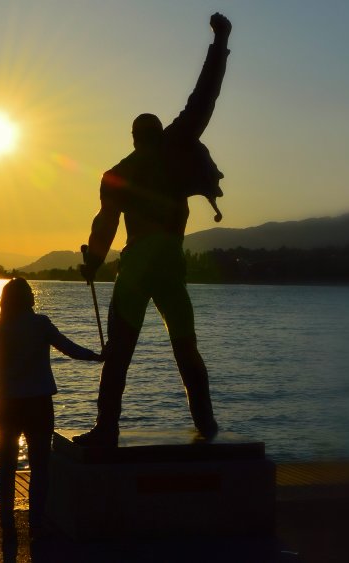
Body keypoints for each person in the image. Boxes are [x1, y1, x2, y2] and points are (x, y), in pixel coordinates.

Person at [75, 13, 232, 447]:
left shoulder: (117, 174)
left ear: (132, 137)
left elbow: (104, 223)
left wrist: (91, 259)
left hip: (140, 259)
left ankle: (107, 428)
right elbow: (205, 97)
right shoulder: (176, 149)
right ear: (160, 133)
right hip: (171, 261)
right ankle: (206, 424)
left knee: (120, 351)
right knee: (186, 345)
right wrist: (220, 43)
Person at [0, 277, 103, 544]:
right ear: (29, 298)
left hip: (6, 403)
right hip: (38, 402)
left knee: (6, 465)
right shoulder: (40, 324)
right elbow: (69, 348)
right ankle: (36, 523)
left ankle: (7, 524)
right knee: (40, 467)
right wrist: (96, 355)